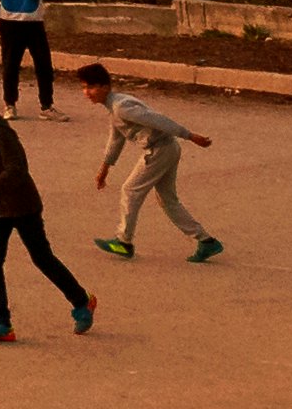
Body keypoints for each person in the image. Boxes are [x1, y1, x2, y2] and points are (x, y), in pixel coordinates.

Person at [0, 75, 93, 344]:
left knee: (42, 258)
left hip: (23, 207)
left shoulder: (1, 133)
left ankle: (81, 301)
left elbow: (17, 171)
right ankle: (0, 321)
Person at [75, 61, 215, 262]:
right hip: (167, 148)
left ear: (105, 87)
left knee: (131, 190)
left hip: (159, 150)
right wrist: (104, 169)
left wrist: (190, 135)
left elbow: (158, 120)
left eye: (90, 87)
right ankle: (206, 241)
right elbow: (116, 140)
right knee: (167, 199)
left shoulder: (122, 107)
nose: (86, 92)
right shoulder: (114, 107)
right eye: (84, 87)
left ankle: (124, 242)